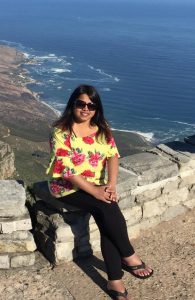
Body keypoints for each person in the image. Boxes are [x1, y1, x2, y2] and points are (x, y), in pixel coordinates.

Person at [46, 85, 153, 300]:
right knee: (106, 207)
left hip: (97, 183)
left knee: (106, 215)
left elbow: (113, 156)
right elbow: (67, 170)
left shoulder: (101, 127)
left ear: (96, 108)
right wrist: (95, 191)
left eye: (91, 105)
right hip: (66, 186)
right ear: (72, 104)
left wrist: (111, 185)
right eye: (81, 104)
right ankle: (128, 255)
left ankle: (115, 281)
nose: (86, 109)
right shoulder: (60, 131)